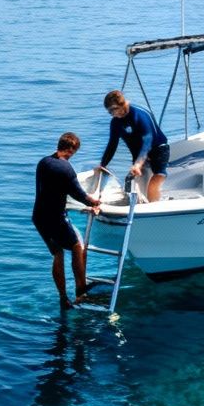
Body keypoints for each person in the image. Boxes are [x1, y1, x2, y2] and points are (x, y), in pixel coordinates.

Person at [35, 132, 102, 309]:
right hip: (56, 218)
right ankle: (81, 292)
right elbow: (78, 193)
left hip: (40, 218)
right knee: (76, 247)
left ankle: (63, 298)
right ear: (72, 149)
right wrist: (94, 202)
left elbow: (56, 189)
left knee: (58, 253)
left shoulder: (44, 163)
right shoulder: (66, 169)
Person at [97, 90, 169, 204]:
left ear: (122, 105)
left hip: (158, 150)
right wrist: (103, 164)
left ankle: (154, 207)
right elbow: (112, 145)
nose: (111, 114)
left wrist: (138, 164)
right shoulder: (116, 123)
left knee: (154, 182)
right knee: (129, 182)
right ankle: (133, 206)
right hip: (139, 155)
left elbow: (148, 140)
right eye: (109, 111)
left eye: (112, 109)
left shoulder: (138, 114)